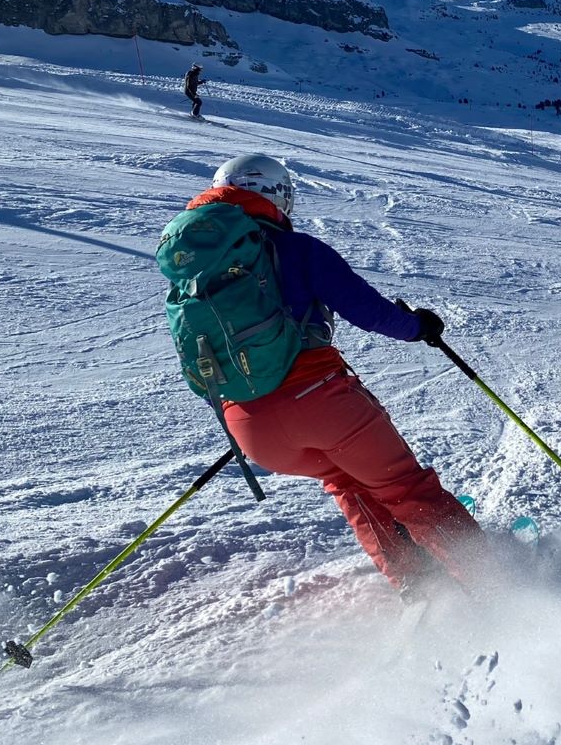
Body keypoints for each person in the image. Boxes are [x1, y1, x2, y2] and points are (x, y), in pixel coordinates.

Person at [185, 153, 486, 591]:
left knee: (347, 480)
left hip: (247, 425)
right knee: (407, 488)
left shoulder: (195, 271)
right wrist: (420, 326)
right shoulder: (298, 250)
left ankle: (414, 580)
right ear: (276, 197)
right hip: (320, 400)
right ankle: (499, 582)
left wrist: (258, 405)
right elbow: (369, 311)